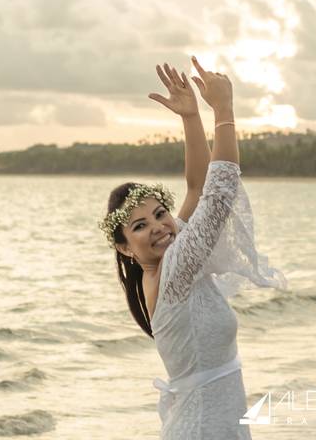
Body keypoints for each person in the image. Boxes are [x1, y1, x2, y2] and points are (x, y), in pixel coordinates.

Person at [98, 57, 287, 439]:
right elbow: (218, 194)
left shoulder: (171, 257)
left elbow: (198, 188)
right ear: (124, 248)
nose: (158, 227)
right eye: (139, 226)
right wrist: (224, 110)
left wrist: (190, 116)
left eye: (160, 214)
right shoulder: (173, 269)